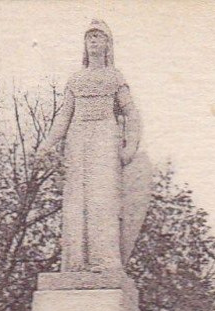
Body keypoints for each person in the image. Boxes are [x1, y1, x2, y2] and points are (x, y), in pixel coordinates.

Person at [41, 21, 153, 273]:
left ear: (107, 44)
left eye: (98, 36)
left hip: (105, 136)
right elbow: (63, 117)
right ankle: (75, 262)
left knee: (102, 198)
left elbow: (132, 114)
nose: (93, 41)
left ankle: (104, 261)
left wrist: (130, 146)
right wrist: (47, 144)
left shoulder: (114, 77)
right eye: (89, 36)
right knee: (76, 199)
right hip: (77, 139)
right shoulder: (76, 80)